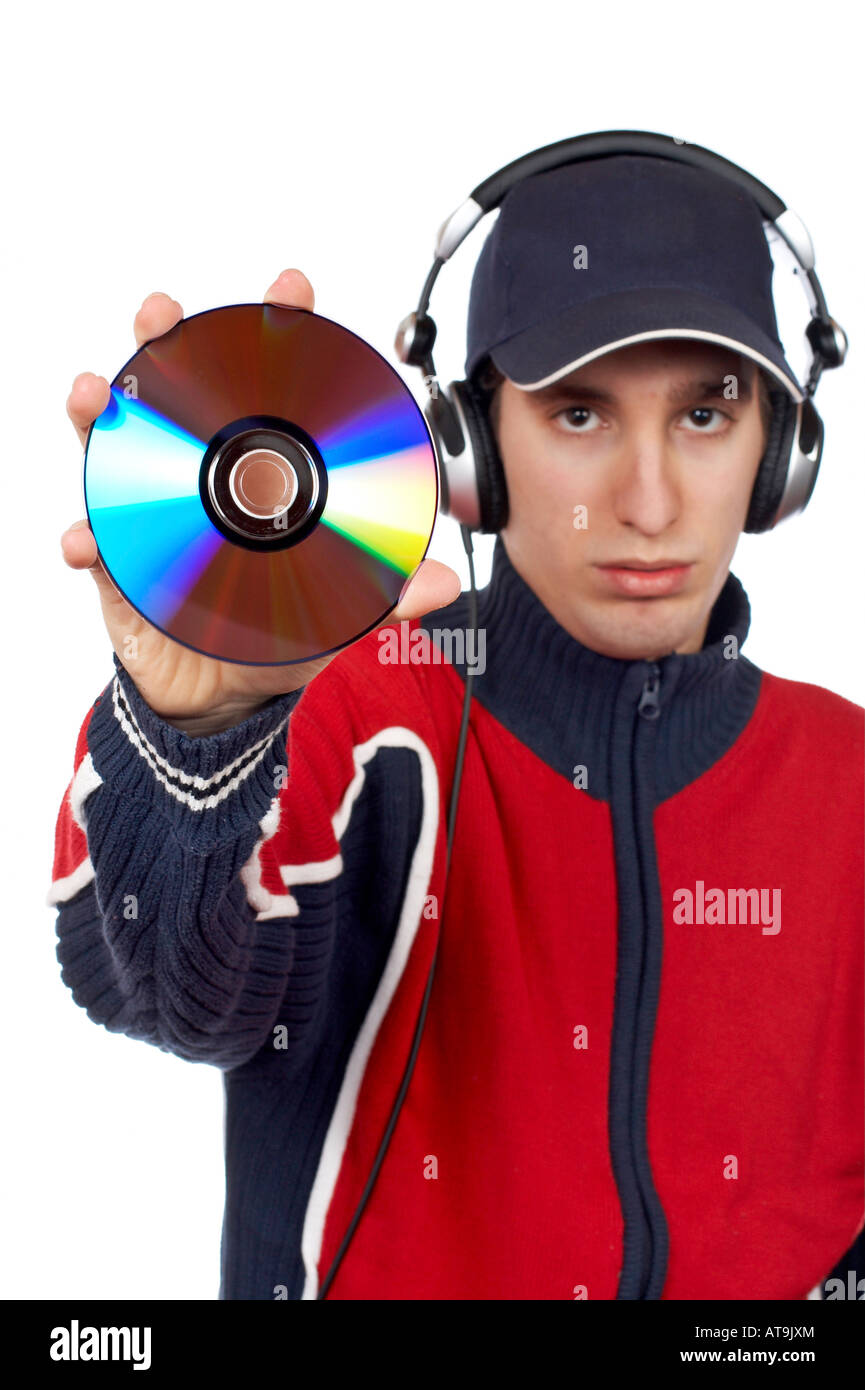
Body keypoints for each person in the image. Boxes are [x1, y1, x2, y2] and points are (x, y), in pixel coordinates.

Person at [50, 151, 863, 1300]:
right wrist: (199, 746)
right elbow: (172, 994)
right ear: (469, 448)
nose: (647, 499)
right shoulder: (355, 709)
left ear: (782, 454)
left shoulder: (849, 778)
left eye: (704, 413)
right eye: (578, 412)